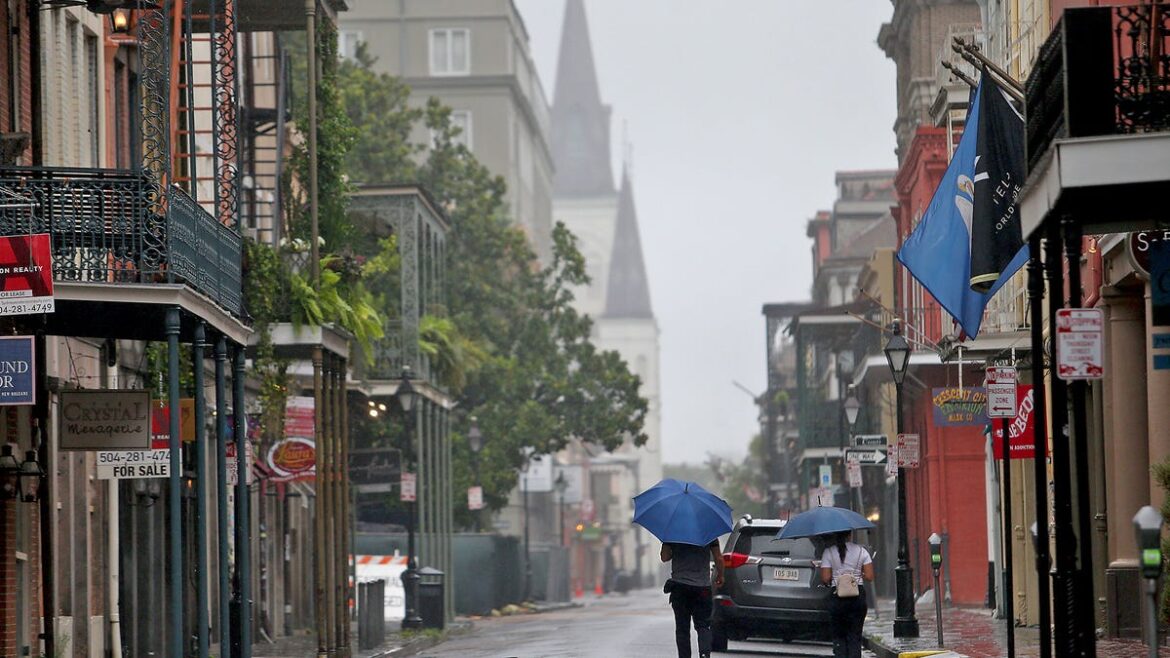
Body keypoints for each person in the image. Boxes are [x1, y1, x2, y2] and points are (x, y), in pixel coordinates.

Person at [661, 540, 725, 658]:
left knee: (682, 628)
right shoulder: (709, 533)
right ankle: (705, 654)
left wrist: (668, 544)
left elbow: (664, 557)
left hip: (680, 588)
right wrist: (720, 575)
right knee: (703, 625)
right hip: (702, 589)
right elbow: (719, 558)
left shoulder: (674, 533)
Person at [819, 531, 875, 658]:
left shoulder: (829, 552)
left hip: (837, 597)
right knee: (855, 636)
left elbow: (826, 578)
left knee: (839, 636)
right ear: (850, 535)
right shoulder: (862, 551)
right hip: (857, 597)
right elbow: (870, 576)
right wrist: (858, 574)